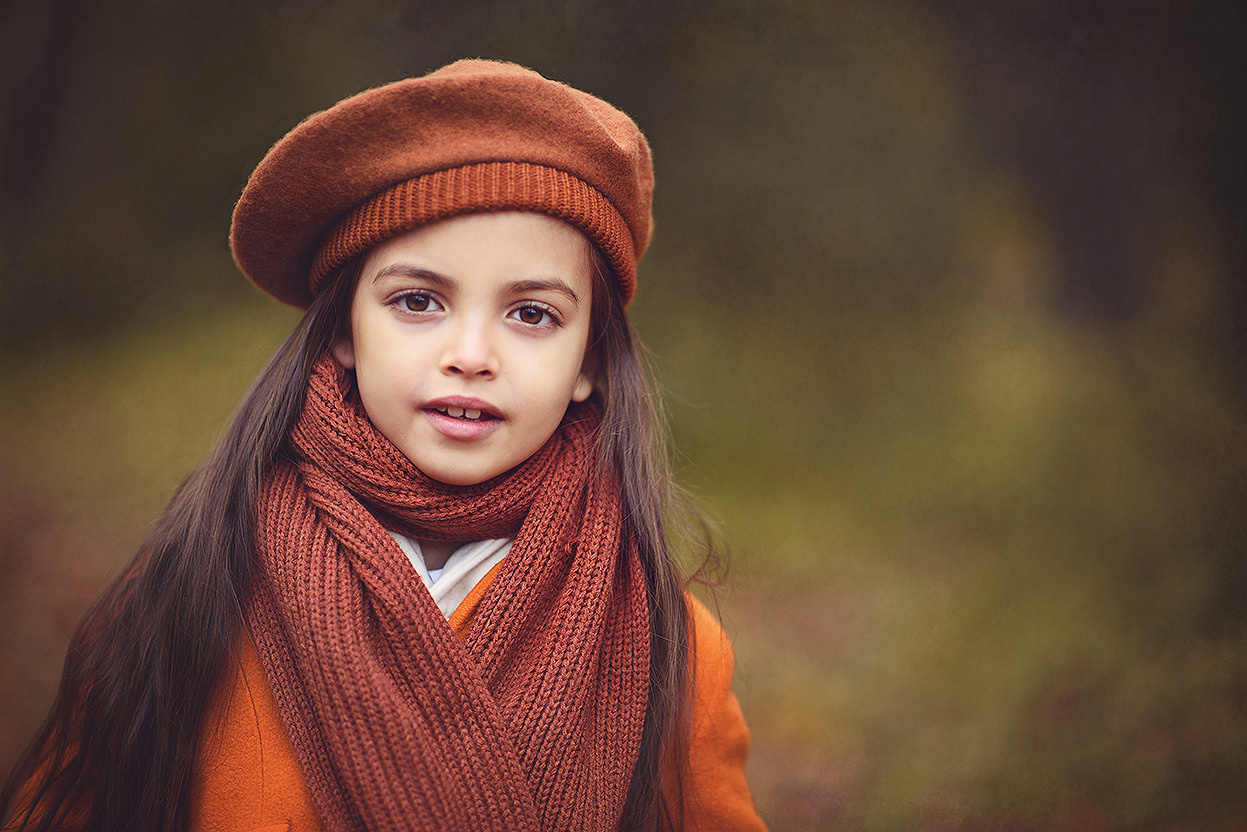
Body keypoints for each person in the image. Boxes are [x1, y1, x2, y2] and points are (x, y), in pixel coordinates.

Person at [2, 59, 766, 832]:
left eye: (532, 314)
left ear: (590, 362)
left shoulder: (668, 645)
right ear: (342, 332)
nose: (471, 353)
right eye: (417, 301)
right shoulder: (196, 578)